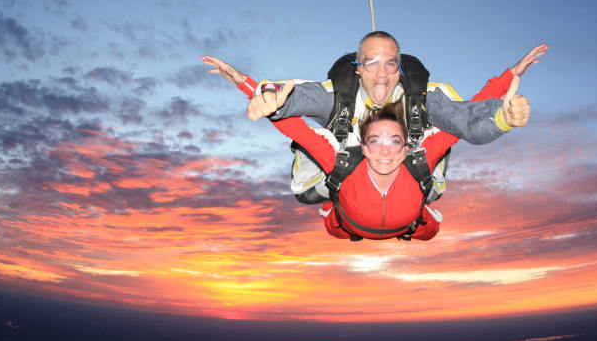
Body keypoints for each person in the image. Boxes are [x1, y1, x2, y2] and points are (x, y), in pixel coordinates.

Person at [200, 55, 532, 240]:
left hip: (412, 224)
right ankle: (337, 210)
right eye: (375, 141)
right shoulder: (342, 163)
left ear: (406, 149)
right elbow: (296, 129)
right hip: (346, 225)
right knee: (336, 221)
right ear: (365, 148)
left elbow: (463, 119)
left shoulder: (419, 159)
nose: (386, 150)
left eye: (395, 141)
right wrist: (250, 88)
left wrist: (504, 106)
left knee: (429, 225)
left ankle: (414, 219)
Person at [243, 33, 546, 203]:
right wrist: (271, 100)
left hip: (414, 183)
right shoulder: (337, 93)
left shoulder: (425, 96)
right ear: (357, 68)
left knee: (443, 130)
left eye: (391, 64)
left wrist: (503, 118)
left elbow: (466, 121)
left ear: (401, 69)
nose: (382, 73)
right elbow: (292, 94)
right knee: (312, 152)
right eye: (371, 63)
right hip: (337, 181)